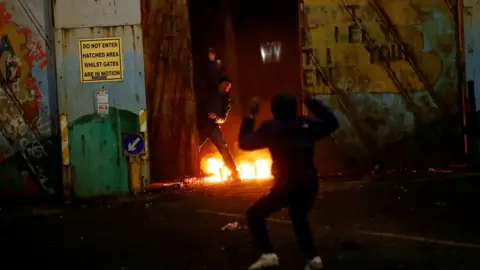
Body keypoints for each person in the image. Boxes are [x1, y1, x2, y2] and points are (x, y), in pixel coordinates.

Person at [238, 92, 339, 270]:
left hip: (286, 184)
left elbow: (245, 143)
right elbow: (333, 123)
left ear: (274, 112)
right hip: (309, 182)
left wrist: (251, 115)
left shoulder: (271, 128)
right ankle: (313, 259)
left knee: (255, 214)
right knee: (299, 217)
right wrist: (313, 104)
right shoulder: (307, 124)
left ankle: (268, 255)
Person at [197, 75, 240, 181]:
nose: (227, 88)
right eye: (225, 85)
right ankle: (195, 171)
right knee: (194, 148)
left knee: (224, 149)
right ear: (219, 85)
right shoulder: (209, 94)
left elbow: (223, 118)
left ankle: (234, 173)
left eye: (229, 86)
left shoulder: (226, 101)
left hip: (214, 128)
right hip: (202, 126)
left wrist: (216, 117)